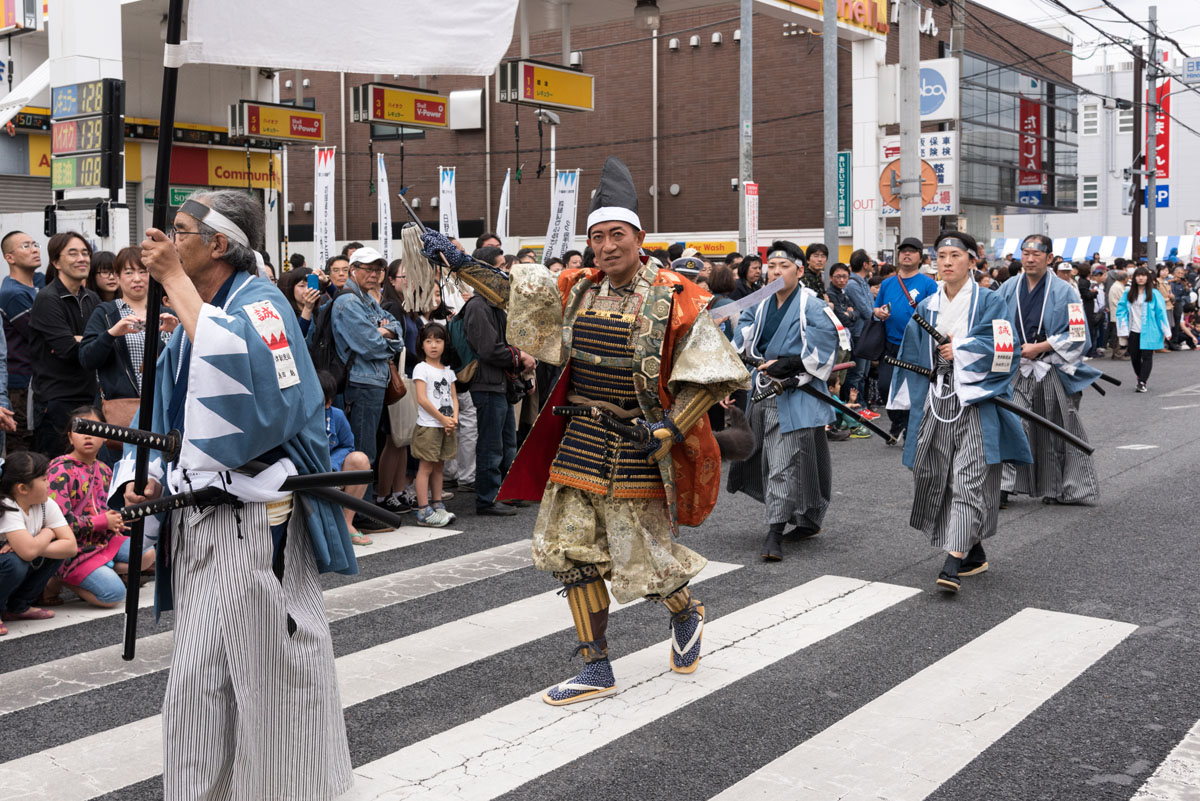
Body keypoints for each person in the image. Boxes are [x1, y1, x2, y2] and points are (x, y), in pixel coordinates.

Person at [421, 156, 748, 703]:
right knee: (569, 551)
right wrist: (458, 261)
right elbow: (514, 293)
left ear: (639, 236)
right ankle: (595, 665)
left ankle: (685, 610)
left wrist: (668, 430)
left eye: (616, 234)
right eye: (597, 236)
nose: (605, 246)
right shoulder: (578, 286)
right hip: (578, 440)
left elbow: (709, 375)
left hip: (638, 442)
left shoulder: (676, 295)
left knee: (641, 556)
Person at [124, 189, 356, 800]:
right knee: (198, 682)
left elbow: (259, 398)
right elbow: (178, 415)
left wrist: (174, 282)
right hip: (199, 520)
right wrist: (152, 472)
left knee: (271, 678)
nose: (167, 244)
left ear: (218, 244)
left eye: (179, 232)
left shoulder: (261, 304)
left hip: (258, 520)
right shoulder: (201, 310)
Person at [887, 230, 1031, 593]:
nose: (947, 262)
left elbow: (1006, 348)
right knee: (938, 476)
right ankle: (974, 549)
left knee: (968, 479)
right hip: (937, 400)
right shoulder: (927, 306)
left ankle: (951, 564)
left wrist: (962, 349)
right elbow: (911, 354)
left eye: (955, 255)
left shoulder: (990, 301)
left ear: (972, 260)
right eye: (941, 256)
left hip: (976, 402)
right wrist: (909, 400)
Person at [728, 240, 842, 561]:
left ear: (800, 271)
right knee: (788, 460)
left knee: (782, 463)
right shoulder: (761, 303)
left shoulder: (812, 305)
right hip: (763, 390)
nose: (776, 272)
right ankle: (808, 516)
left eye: (785, 267)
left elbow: (826, 346)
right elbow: (744, 331)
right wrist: (750, 346)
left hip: (796, 392)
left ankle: (774, 531)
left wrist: (794, 362)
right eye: (772, 267)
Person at [995, 236, 1100, 507]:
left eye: (1036, 254)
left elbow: (1079, 335)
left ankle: (1059, 487)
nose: (1030, 259)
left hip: (1050, 367)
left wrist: (1041, 346)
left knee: (1056, 427)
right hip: (1016, 368)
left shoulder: (1067, 291)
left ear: (1049, 258)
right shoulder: (1007, 288)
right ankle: (1002, 486)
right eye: (1025, 253)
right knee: (1010, 422)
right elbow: (994, 325)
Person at [44, 406, 152, 608]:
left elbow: (109, 511)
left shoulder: (103, 469)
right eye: (81, 430)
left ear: (104, 437)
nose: (88, 436)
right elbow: (57, 522)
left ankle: (98, 571)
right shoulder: (60, 468)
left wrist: (121, 517)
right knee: (113, 595)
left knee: (147, 553)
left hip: (102, 541)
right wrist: (103, 521)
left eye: (95, 430)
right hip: (73, 548)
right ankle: (63, 576)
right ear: (69, 437)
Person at [78, 247, 180, 411]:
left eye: (143, 272)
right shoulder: (106, 313)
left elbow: (188, 362)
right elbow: (87, 359)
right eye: (129, 273)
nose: (137, 279)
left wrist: (177, 333)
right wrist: (111, 334)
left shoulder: (168, 315)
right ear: (117, 277)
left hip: (163, 405)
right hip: (121, 406)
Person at [332, 246, 404, 469]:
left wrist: (386, 332)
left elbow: (396, 326)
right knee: (363, 454)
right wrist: (384, 334)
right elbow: (372, 346)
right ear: (353, 269)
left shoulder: (366, 299)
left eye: (378, 269)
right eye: (368, 269)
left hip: (371, 380)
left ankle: (357, 503)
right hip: (360, 383)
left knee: (367, 450)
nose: (374, 274)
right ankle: (356, 504)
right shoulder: (349, 302)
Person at [29, 232, 99, 457]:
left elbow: (103, 344)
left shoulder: (91, 298)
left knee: (89, 472)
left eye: (85, 253)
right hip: (57, 402)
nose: (82, 258)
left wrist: (82, 339)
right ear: (57, 262)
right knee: (57, 473)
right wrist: (92, 340)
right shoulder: (48, 298)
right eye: (73, 253)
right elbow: (68, 350)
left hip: (89, 398)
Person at [0, 450, 76, 636]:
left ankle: (18, 607)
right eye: (43, 479)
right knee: (14, 562)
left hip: (30, 549)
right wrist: (48, 532)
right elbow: (27, 552)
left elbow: (71, 547)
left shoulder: (45, 504)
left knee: (54, 553)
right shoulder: (7, 506)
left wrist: (37, 543)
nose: (48, 483)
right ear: (23, 489)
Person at [873, 236, 938, 442]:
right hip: (890, 345)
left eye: (912, 251)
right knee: (885, 386)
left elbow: (936, 313)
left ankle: (911, 427)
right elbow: (876, 307)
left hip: (916, 346)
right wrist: (878, 312)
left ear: (920, 257)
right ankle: (898, 420)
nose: (906, 254)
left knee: (914, 389)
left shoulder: (929, 284)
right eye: (903, 251)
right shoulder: (887, 283)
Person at [1, 231, 47, 453]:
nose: (35, 249)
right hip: (21, 385)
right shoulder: (12, 293)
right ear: (9, 257)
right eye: (26, 246)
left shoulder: (39, 282)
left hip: (38, 382)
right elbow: (43, 335)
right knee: (23, 447)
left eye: (35, 244)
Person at [317, 371, 375, 546]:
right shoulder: (297, 415)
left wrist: (332, 465)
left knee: (360, 460)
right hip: (306, 472)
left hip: (332, 471)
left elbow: (348, 446)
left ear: (329, 402)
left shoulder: (336, 415)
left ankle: (347, 522)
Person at [411, 322, 458, 528]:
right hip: (429, 425)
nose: (433, 345)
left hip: (445, 425)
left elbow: (454, 398)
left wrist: (453, 419)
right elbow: (422, 399)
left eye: (438, 341)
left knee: (440, 466)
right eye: (428, 341)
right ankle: (423, 510)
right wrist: (442, 418)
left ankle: (438, 504)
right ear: (421, 345)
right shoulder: (421, 368)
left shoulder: (448, 371)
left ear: (444, 344)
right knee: (426, 467)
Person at [1116, 266, 1172, 393]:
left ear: (1148, 277)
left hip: (1150, 329)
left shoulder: (1155, 294)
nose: (1140, 278)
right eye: (1138, 275)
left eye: (1143, 275)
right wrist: (1123, 328)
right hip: (1134, 329)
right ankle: (1140, 376)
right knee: (1134, 356)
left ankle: (1142, 381)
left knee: (1147, 356)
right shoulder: (1128, 293)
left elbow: (1161, 313)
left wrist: (1166, 331)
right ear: (1134, 278)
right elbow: (1121, 311)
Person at [277, 265, 323, 337]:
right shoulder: (285, 315)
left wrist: (328, 283)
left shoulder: (321, 312)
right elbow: (298, 339)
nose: (307, 290)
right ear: (292, 289)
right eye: (302, 286)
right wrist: (307, 308)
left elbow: (339, 301)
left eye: (310, 285)